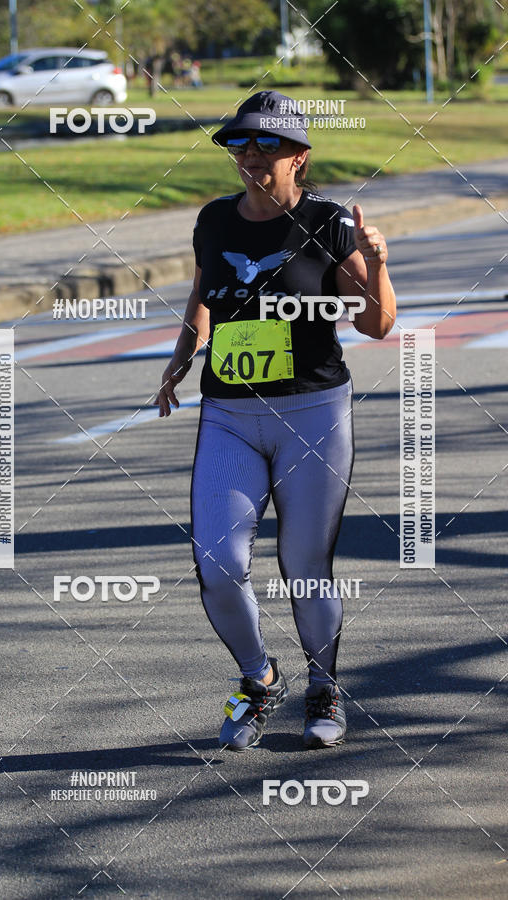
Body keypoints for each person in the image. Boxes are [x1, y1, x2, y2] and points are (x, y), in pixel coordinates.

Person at [155, 90, 396, 752]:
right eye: (240, 142)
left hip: (314, 411)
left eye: (267, 144)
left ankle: (324, 686)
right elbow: (205, 292)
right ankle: (259, 678)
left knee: (304, 561)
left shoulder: (327, 221)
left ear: (300, 156)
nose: (251, 155)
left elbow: (376, 323)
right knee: (219, 560)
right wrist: (182, 355)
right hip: (229, 413)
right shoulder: (214, 220)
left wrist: (376, 263)